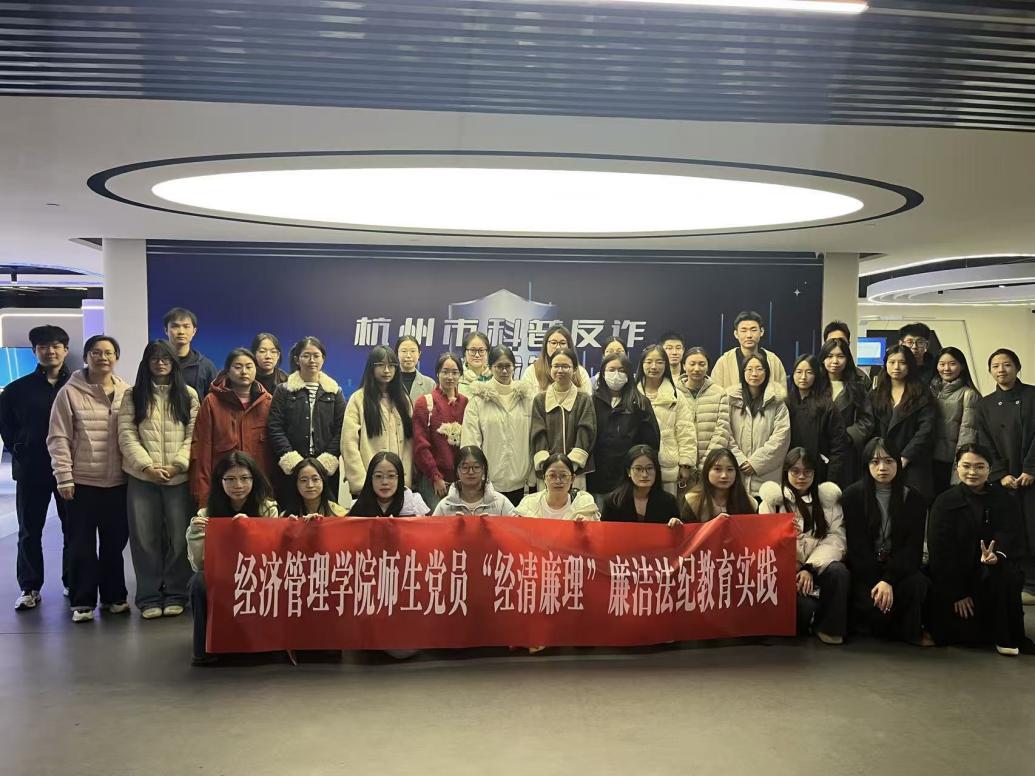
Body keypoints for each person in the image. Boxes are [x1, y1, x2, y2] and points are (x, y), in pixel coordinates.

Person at [47, 335, 132, 623]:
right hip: (81, 482)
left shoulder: (127, 392)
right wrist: (64, 477)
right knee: (81, 544)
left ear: (116, 358)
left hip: (118, 483)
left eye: (108, 352)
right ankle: (82, 601)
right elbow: (58, 437)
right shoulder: (69, 393)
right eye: (96, 352)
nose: (102, 357)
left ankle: (114, 596)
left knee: (114, 544)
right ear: (86, 357)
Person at [117, 340, 199, 619]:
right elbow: (126, 435)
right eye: (155, 358)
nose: (161, 362)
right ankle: (149, 596)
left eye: (166, 358)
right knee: (144, 539)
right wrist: (147, 466)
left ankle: (176, 593)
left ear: (173, 362)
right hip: (142, 478)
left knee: (180, 538)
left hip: (179, 478)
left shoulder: (187, 395)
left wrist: (178, 465)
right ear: (146, 363)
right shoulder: (133, 395)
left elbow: (194, 434)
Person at [927, 444, 1034, 655]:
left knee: (1009, 575)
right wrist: (958, 593)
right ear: (957, 467)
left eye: (979, 466)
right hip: (956, 578)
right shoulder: (944, 502)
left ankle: (1010, 636)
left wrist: (997, 554)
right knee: (966, 637)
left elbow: (1012, 534)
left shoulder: (1004, 499)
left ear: (989, 469)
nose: (972, 472)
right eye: (966, 466)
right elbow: (939, 552)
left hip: (992, 570)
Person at [0, 325, 72, 611]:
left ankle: (72, 581)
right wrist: (21, 449)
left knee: (74, 529)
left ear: (65, 350)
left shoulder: (78, 386)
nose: (50, 351)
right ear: (34, 351)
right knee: (29, 531)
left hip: (71, 471)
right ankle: (29, 587)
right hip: (31, 470)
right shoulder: (16, 390)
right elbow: (7, 427)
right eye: (43, 346)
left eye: (55, 346)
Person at [186, 451, 279, 666]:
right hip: (223, 574)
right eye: (230, 479)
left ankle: (266, 643)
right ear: (220, 482)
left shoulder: (267, 508)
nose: (238, 485)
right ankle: (203, 650)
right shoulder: (206, 514)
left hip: (259, 573)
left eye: (245, 478)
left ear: (254, 479)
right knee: (198, 582)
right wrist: (195, 535)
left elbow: (273, 554)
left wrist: (251, 530)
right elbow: (198, 565)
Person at [842, 437, 933, 645]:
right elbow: (857, 548)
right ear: (866, 465)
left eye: (889, 461)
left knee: (917, 583)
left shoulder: (914, 499)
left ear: (898, 464)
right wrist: (878, 581)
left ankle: (910, 633)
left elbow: (912, 549)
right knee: (874, 614)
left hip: (898, 572)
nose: (882, 468)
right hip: (865, 571)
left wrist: (888, 580)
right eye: (875, 462)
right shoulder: (852, 496)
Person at [759, 448, 849, 645]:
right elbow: (765, 542)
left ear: (815, 473)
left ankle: (828, 628)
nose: (801, 477)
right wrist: (793, 562)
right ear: (786, 472)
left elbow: (836, 539)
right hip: (785, 571)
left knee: (839, 571)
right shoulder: (773, 502)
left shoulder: (828, 501)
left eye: (807, 472)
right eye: (795, 471)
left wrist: (809, 567)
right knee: (804, 608)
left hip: (817, 567)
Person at [975, 348, 1035, 604]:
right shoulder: (985, 404)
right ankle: (1016, 582)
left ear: (1018, 367)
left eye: (1007, 364)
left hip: (1031, 475)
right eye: (996, 366)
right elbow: (984, 441)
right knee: (1010, 528)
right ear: (990, 371)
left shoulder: (1032, 395)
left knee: (1032, 526)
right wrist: (1000, 474)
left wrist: (1031, 468)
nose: (1001, 370)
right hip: (1004, 480)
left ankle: (1033, 582)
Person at [190, 348, 275, 505]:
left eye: (249, 366)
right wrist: (203, 496)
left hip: (258, 491)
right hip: (221, 489)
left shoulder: (268, 402)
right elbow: (202, 451)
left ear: (256, 370)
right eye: (238, 367)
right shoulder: (212, 402)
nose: (244, 372)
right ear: (227, 371)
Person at [267, 336, 345, 505]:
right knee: (291, 513)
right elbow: (275, 427)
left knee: (326, 514)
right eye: (306, 356)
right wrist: (292, 460)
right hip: (292, 469)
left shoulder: (334, 392)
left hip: (324, 469)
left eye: (316, 356)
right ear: (297, 359)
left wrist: (326, 461)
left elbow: (342, 430)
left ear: (323, 359)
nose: (312, 360)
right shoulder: (283, 391)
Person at [460, 345, 535, 506]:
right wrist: (476, 474)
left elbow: (533, 439)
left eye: (508, 366)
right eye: (499, 366)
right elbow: (470, 442)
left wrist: (532, 475)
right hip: (488, 482)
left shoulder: (527, 399)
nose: (504, 371)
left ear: (514, 367)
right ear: (490, 367)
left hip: (520, 481)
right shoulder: (478, 401)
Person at [341, 346, 414, 498]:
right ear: (371, 367)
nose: (387, 370)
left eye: (391, 365)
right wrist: (361, 482)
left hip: (399, 484)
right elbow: (349, 444)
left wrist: (406, 478)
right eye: (381, 365)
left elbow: (409, 443)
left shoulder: (403, 400)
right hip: (367, 485)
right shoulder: (358, 399)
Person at [587, 352, 660, 499]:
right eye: (611, 370)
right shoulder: (592, 401)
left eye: (621, 370)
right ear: (602, 373)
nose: (616, 375)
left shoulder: (640, 403)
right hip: (598, 478)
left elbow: (651, 443)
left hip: (629, 479)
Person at [870, 345, 937, 501]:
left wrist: (905, 457)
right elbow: (870, 427)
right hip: (882, 461)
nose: (896, 367)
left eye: (902, 362)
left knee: (911, 507)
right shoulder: (875, 394)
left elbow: (926, 430)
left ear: (910, 366)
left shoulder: (922, 394)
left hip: (913, 462)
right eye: (892, 362)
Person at [530, 348, 597, 488]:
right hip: (547, 471)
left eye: (565, 366)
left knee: (575, 501)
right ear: (550, 368)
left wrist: (572, 463)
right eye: (556, 366)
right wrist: (546, 463)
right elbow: (537, 433)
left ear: (575, 369)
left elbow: (587, 431)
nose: (560, 370)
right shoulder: (540, 399)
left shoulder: (583, 399)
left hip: (576, 471)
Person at [726, 353, 791, 498]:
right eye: (749, 369)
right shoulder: (730, 400)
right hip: (736, 475)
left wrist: (755, 463)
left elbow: (781, 439)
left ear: (766, 372)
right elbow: (725, 433)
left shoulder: (777, 403)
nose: (754, 374)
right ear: (743, 372)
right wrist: (740, 460)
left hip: (766, 479)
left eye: (759, 369)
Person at [411, 352, 467, 511]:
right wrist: (435, 476)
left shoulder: (466, 403)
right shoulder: (425, 403)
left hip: (461, 482)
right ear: (437, 373)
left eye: (455, 372)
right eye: (445, 372)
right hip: (433, 481)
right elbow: (421, 446)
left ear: (460, 375)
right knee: (436, 522)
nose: (450, 377)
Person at [636, 345, 695, 495]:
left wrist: (686, 464)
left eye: (660, 362)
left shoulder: (676, 395)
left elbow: (686, 431)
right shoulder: (632, 394)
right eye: (649, 362)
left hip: (667, 465)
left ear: (666, 365)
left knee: (666, 506)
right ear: (641, 364)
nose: (654, 366)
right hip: (636, 465)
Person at [819, 337, 874, 487]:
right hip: (820, 451)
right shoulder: (815, 387)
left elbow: (866, 420)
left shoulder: (857, 387)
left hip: (847, 451)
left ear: (847, 359)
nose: (835, 361)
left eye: (840, 356)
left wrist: (847, 436)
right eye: (829, 356)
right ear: (822, 359)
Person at [787, 354, 849, 486]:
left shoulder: (827, 406)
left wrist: (831, 480)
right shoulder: (786, 403)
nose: (803, 377)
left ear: (816, 375)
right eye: (799, 372)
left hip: (819, 471)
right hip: (790, 470)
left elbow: (838, 445)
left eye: (809, 372)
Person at [930, 346, 980, 495]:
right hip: (927, 460)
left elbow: (967, 435)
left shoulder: (968, 394)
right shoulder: (929, 391)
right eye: (942, 364)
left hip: (948, 462)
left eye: (952, 364)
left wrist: (960, 467)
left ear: (962, 366)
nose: (946, 368)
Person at [710, 311, 788, 399]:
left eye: (753, 330)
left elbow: (783, 395)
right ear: (736, 334)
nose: (749, 335)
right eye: (743, 330)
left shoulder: (773, 360)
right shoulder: (724, 362)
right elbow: (714, 396)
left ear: (761, 331)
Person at [601, 445, 680, 525]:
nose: (644, 474)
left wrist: (677, 524)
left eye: (649, 468)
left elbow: (679, 529)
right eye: (638, 469)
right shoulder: (613, 502)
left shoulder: (669, 502)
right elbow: (605, 530)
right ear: (628, 472)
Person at [680, 347, 732, 466]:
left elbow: (722, 431)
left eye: (701, 364)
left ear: (708, 367)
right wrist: (684, 464)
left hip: (710, 465)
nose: (696, 369)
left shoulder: (720, 393)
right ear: (684, 366)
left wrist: (707, 464)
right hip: (681, 465)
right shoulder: (674, 393)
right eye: (692, 364)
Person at [432, 446, 517, 516]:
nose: (471, 472)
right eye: (465, 468)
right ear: (457, 471)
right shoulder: (444, 506)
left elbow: (516, 527)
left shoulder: (501, 502)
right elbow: (433, 530)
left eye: (476, 467)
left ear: (484, 469)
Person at [680, 447, 757, 522]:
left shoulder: (750, 502)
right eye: (717, 469)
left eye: (730, 469)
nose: (724, 475)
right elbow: (689, 530)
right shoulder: (693, 501)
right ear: (707, 471)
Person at [515, 453, 599, 520]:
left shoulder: (583, 503)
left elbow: (595, 531)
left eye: (564, 475)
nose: (558, 481)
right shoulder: (529, 504)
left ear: (572, 478)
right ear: (544, 478)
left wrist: (586, 524)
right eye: (552, 475)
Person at [347, 452, 430, 517]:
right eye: (378, 476)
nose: (385, 482)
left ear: (400, 478)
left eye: (391, 476)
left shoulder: (414, 504)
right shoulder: (358, 506)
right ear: (370, 478)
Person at [163, 307, 218, 399]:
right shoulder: (157, 364)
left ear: (194, 331)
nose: (181, 332)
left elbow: (215, 401)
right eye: (175, 326)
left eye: (186, 326)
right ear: (166, 330)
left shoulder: (206, 366)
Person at [522, 324, 592, 395]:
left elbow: (587, 399)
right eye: (553, 343)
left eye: (563, 343)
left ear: (569, 346)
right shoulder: (531, 371)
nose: (558, 347)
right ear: (546, 345)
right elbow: (525, 400)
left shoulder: (581, 373)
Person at [281, 458, 348, 518]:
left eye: (315, 479)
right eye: (304, 480)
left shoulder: (339, 514)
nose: (310, 485)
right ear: (296, 483)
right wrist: (289, 525)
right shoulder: (286, 516)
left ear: (323, 481)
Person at [395, 335, 436, 407]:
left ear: (419, 354)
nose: (408, 355)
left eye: (413, 351)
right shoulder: (389, 381)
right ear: (396, 354)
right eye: (404, 351)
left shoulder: (430, 384)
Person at [458, 331, 492, 397]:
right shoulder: (457, 376)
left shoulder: (494, 377)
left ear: (488, 353)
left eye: (481, 350)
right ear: (464, 353)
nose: (477, 355)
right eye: (472, 350)